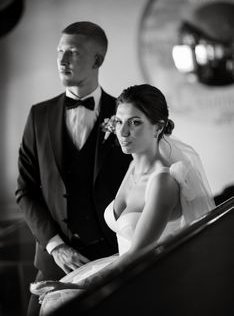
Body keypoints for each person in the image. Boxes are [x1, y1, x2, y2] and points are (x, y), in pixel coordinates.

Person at [31, 84, 216, 315]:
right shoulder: (131, 167)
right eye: (119, 122)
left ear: (158, 127)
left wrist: (77, 285)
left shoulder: (162, 182)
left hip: (146, 281)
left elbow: (138, 251)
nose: (123, 132)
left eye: (135, 122)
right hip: (121, 270)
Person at [15, 21, 132, 316]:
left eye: (74, 53)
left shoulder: (125, 115)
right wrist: (56, 246)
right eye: (59, 52)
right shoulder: (38, 115)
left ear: (98, 60)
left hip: (113, 257)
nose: (62, 61)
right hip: (54, 261)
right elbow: (25, 191)